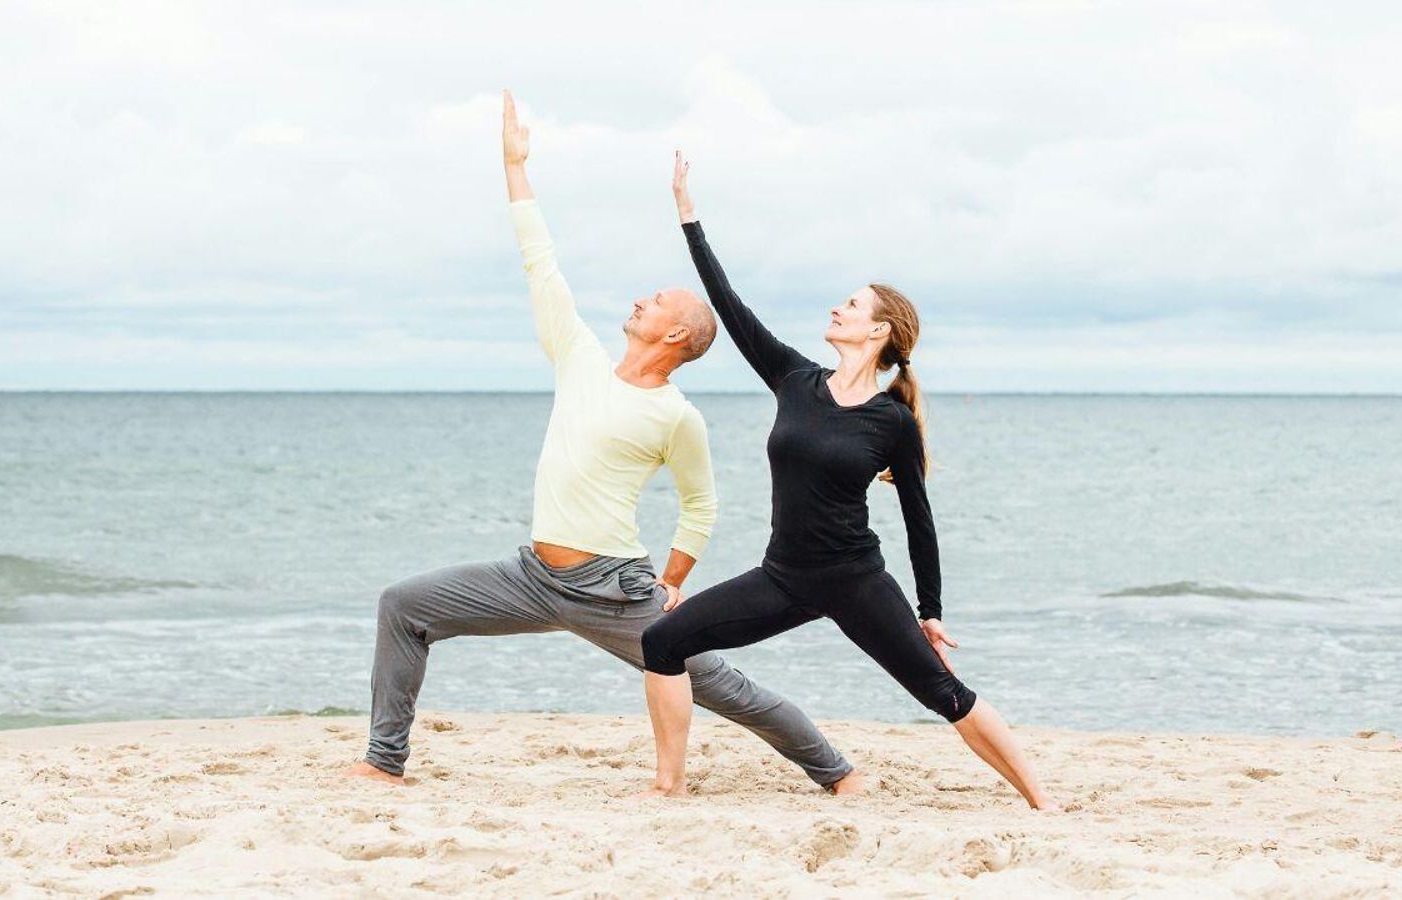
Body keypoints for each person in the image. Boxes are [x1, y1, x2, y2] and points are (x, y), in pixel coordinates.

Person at [340, 95, 865, 796]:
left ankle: (835, 772)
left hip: (613, 591)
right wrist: (514, 167)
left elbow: (700, 503)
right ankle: (384, 762)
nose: (640, 303)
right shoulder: (578, 356)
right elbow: (540, 262)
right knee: (403, 606)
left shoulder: (676, 417)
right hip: (530, 577)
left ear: (677, 336)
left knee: (722, 686)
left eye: (655, 301)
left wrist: (674, 579)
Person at [640, 151, 1056, 809]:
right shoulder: (794, 379)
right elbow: (730, 304)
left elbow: (920, 520)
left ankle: (1041, 797)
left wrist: (930, 612)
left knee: (945, 694)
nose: (838, 308)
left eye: (851, 305)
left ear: (879, 331)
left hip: (856, 581)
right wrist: (689, 217)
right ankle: (667, 785)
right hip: (782, 578)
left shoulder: (892, 420)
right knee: (662, 641)